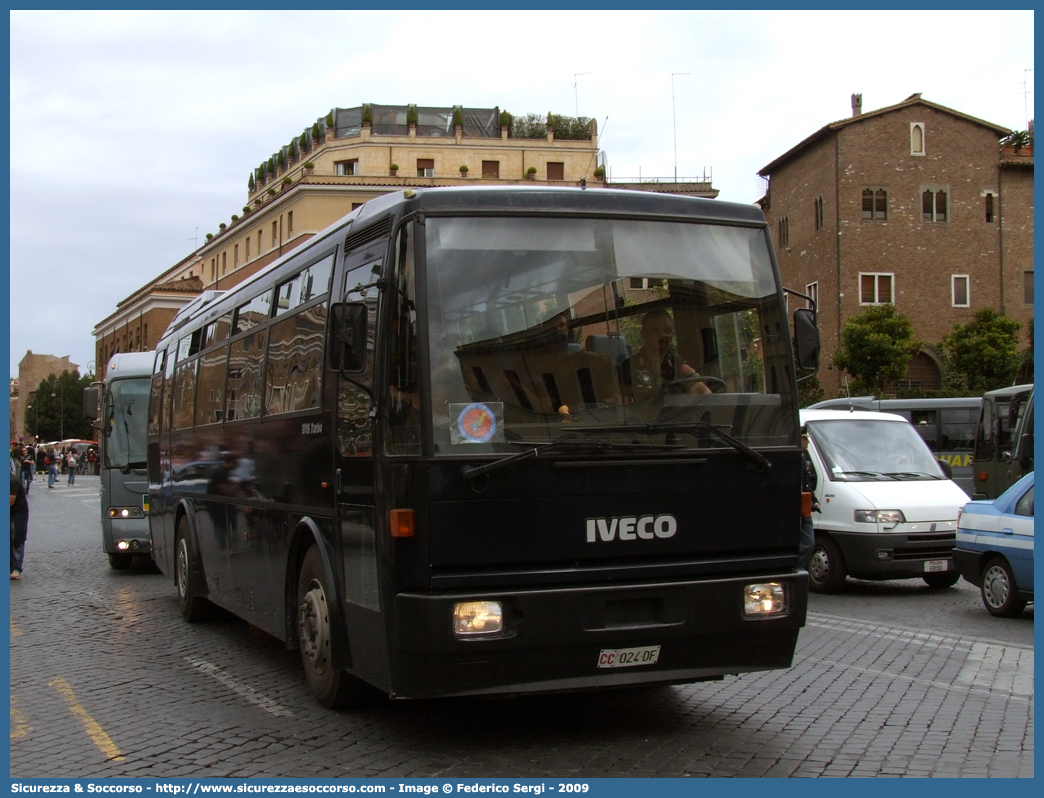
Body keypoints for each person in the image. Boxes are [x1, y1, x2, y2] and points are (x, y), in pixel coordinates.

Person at [620, 309, 713, 401]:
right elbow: (617, 403)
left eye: (667, 330)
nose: (662, 334)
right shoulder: (629, 367)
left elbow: (703, 392)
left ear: (672, 336)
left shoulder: (678, 366)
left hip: (676, 415)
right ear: (643, 334)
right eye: (655, 330)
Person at [798, 426, 820, 570]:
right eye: (804, 438)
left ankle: (798, 569)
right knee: (806, 543)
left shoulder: (805, 457)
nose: (807, 442)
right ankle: (795, 569)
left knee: (809, 543)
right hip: (798, 508)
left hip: (805, 508)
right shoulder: (795, 459)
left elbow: (808, 483)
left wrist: (814, 500)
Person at [10, 470, 29, 579]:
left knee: (17, 537)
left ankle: (16, 569)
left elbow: (10, 501)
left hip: (18, 512)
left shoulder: (13, 481)